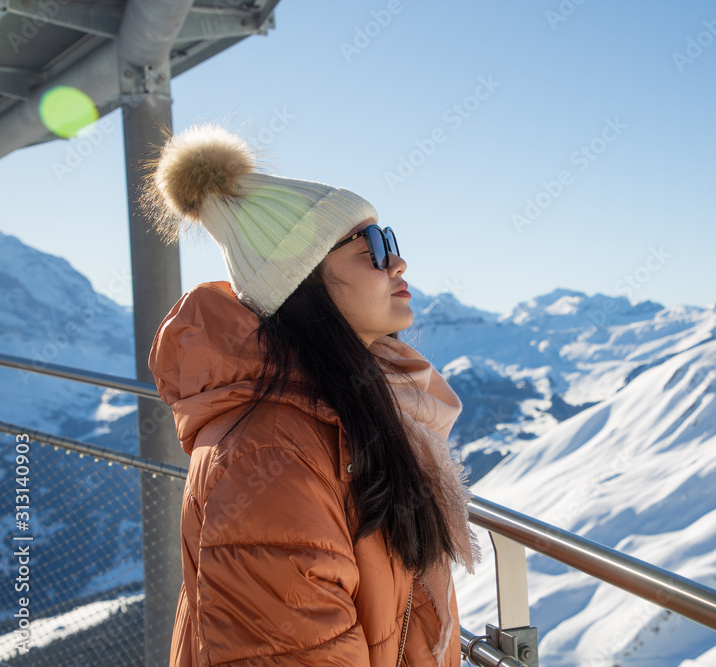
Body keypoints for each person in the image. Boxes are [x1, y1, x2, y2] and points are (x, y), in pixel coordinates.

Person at [145, 124, 479, 667]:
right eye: (373, 246)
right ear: (304, 281)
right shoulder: (270, 456)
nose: (398, 262)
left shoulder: (354, 409)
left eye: (390, 239)